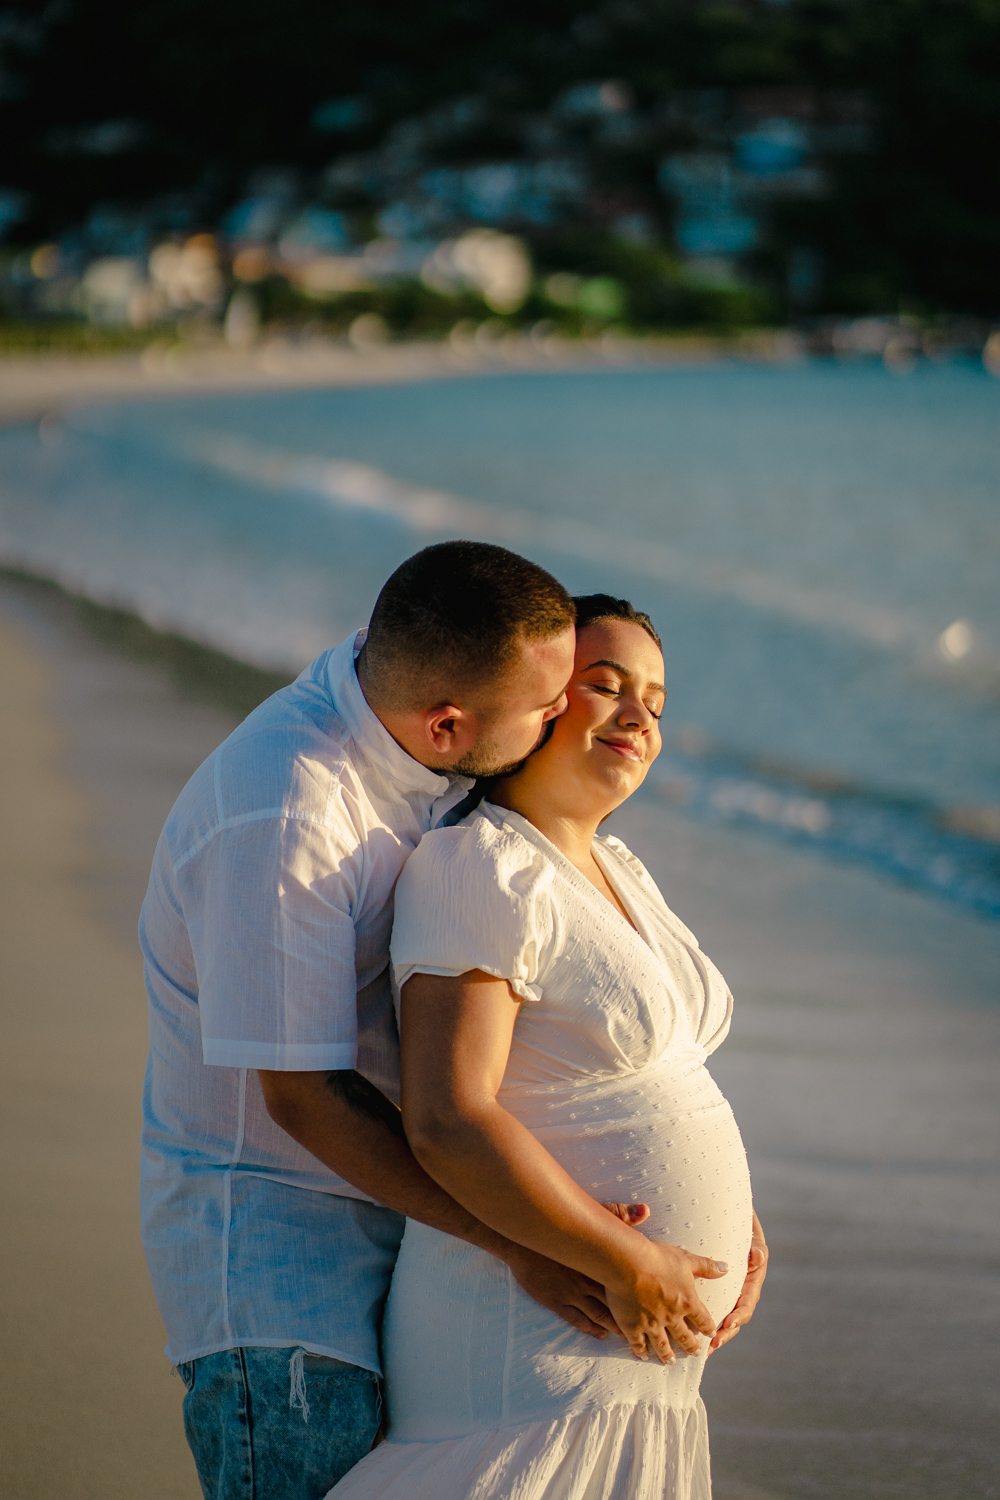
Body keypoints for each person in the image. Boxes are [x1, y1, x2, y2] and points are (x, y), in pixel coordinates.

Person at [140, 541, 644, 1500]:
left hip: (404, 1231)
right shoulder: (285, 816)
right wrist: (523, 1243)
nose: (562, 717)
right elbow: (304, 1098)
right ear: (445, 724)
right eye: (548, 707)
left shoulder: (409, 713)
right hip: (282, 1277)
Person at [328, 594, 768, 1500]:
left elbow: (660, 1083)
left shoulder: (623, 872)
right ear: (535, 700)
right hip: (529, 1339)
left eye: (656, 700)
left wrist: (739, 1230)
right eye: (605, 685)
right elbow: (449, 1118)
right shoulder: (477, 866)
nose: (639, 715)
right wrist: (628, 1258)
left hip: (638, 1355)